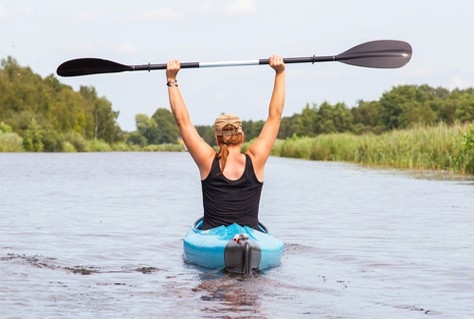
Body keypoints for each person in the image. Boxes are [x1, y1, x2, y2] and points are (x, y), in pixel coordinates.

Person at [166, 56, 285, 230]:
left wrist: (172, 80)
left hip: (213, 239)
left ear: (217, 138)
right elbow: (275, 116)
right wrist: (280, 72)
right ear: (242, 135)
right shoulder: (256, 159)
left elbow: (182, 121)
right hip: (250, 239)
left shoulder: (207, 161)